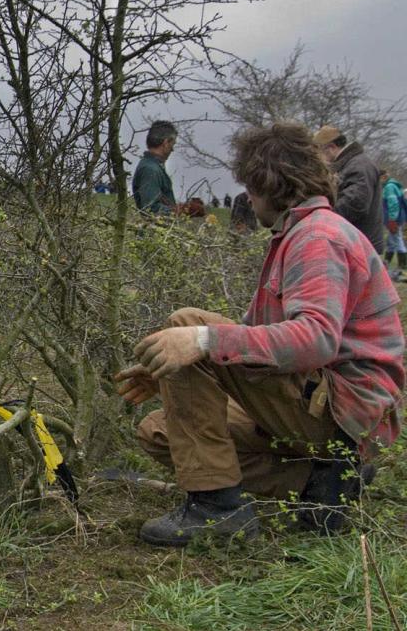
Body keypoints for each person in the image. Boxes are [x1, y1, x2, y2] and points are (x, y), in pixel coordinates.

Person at [116, 123, 403, 547]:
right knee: (159, 431)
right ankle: (323, 486)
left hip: (346, 413)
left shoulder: (319, 237)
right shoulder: (297, 234)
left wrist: (198, 342)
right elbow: (256, 338)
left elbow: (315, 339)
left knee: (186, 323)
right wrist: (169, 370)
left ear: (270, 183)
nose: (248, 198)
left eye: (250, 186)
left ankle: (216, 507)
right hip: (322, 407)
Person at [314, 125, 385, 254]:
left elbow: (356, 204)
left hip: (363, 244)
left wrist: (322, 217)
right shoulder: (354, 163)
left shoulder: (358, 166)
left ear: (331, 148)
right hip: (360, 241)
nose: (320, 159)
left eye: (320, 152)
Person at [132, 121, 178, 215]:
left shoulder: (152, 167)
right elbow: (151, 209)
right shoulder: (150, 170)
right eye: (172, 144)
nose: (172, 149)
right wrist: (181, 211)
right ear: (165, 143)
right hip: (153, 228)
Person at [382, 171, 406, 281]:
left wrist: (392, 219)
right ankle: (386, 263)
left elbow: (393, 203)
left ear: (383, 177)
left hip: (394, 219)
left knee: (397, 240)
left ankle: (403, 265)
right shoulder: (394, 185)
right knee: (391, 242)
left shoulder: (389, 187)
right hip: (398, 217)